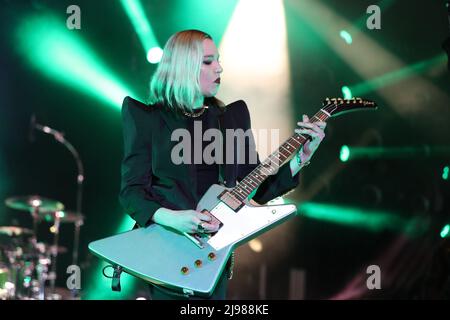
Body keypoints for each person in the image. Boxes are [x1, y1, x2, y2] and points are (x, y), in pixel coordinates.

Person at [119, 29, 326, 300]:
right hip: (165, 253)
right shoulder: (146, 118)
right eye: (208, 61)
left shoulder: (231, 117)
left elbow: (258, 189)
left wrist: (301, 158)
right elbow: (131, 192)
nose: (219, 67)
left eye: (218, 60)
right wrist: (173, 218)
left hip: (212, 259)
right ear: (184, 65)